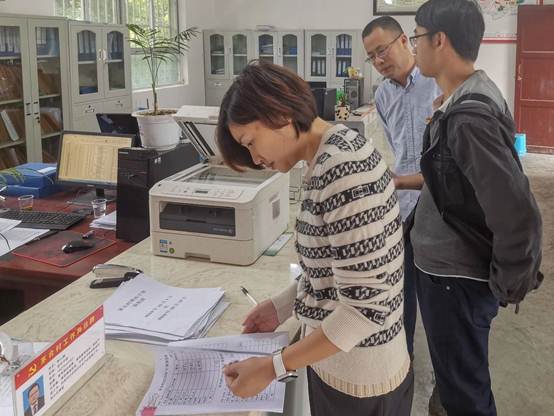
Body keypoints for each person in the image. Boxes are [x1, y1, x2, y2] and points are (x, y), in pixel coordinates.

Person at [216, 61, 413, 416]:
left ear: (279, 113)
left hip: (361, 381)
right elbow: (335, 271)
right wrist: (281, 306)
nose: (255, 158)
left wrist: (272, 367)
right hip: (339, 364)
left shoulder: (343, 169)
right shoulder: (327, 155)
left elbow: (363, 309)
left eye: (251, 143)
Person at [409, 0, 543, 415]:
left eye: (416, 38)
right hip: (449, 273)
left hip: (456, 279)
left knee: (465, 392)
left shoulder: (469, 117)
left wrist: (505, 283)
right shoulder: (463, 98)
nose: (414, 47)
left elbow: (517, 213)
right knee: (456, 380)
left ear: (439, 40)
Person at [362, 15, 441, 361]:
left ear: (405, 41)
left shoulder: (437, 81)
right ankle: (402, 362)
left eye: (382, 50)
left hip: (440, 205)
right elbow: (395, 147)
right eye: (372, 56)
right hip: (402, 206)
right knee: (401, 290)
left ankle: (443, 374)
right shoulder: (382, 95)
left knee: (437, 297)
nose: (379, 61)